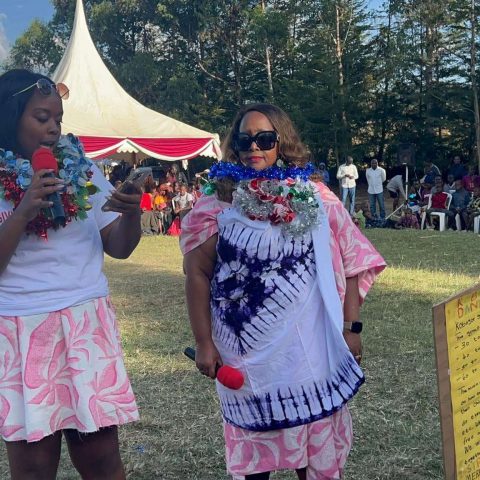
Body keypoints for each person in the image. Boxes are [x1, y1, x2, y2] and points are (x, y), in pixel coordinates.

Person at [181, 103, 386, 480]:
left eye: (264, 139)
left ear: (282, 141)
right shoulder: (218, 201)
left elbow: (352, 259)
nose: (253, 147)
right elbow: (197, 272)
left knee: (312, 455)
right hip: (247, 361)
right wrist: (203, 342)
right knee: (254, 463)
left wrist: (351, 328)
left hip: (309, 356)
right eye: (245, 139)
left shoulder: (315, 196)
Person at [0, 69, 141, 479]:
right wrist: (24, 210)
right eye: (41, 117)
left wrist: (132, 213)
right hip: (22, 328)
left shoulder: (82, 169)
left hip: (84, 323)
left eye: (58, 119)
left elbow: (119, 246)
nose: (53, 128)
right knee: (33, 467)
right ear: (10, 117)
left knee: (101, 460)